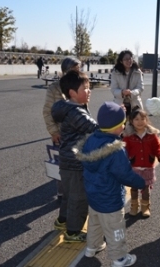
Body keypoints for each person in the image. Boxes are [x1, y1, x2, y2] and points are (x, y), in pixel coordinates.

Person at [74, 101, 146, 267]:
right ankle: (119, 258)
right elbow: (125, 174)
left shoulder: (90, 140)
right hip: (110, 199)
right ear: (117, 127)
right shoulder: (115, 149)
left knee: (95, 223)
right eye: (123, 123)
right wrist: (141, 182)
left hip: (93, 196)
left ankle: (92, 247)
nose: (124, 126)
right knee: (116, 230)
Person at [51, 70, 98, 242]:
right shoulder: (76, 113)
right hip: (77, 163)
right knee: (79, 198)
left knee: (69, 195)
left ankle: (62, 220)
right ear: (72, 93)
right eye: (85, 88)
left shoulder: (68, 108)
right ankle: (72, 232)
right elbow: (94, 128)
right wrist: (114, 123)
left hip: (66, 161)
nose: (89, 91)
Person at [42, 56, 81, 202]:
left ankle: (76, 189)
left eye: (78, 69)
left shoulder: (80, 85)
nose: (77, 72)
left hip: (78, 131)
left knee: (78, 160)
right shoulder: (54, 88)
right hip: (61, 132)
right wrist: (53, 131)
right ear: (65, 71)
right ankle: (62, 191)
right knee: (61, 162)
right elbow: (47, 111)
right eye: (74, 69)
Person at [122, 109, 160, 217]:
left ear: (147, 120)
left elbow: (157, 147)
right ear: (131, 121)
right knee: (134, 188)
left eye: (142, 119)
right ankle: (134, 206)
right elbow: (124, 149)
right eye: (136, 119)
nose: (140, 121)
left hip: (147, 167)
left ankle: (145, 207)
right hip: (134, 167)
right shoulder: (128, 136)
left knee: (146, 188)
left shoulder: (151, 134)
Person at [110, 50, 144, 118]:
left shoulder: (137, 71)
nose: (128, 61)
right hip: (120, 104)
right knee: (121, 126)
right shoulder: (115, 73)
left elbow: (140, 87)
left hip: (135, 104)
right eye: (126, 59)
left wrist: (131, 92)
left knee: (136, 126)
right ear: (121, 61)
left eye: (130, 58)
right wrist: (122, 92)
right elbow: (113, 89)